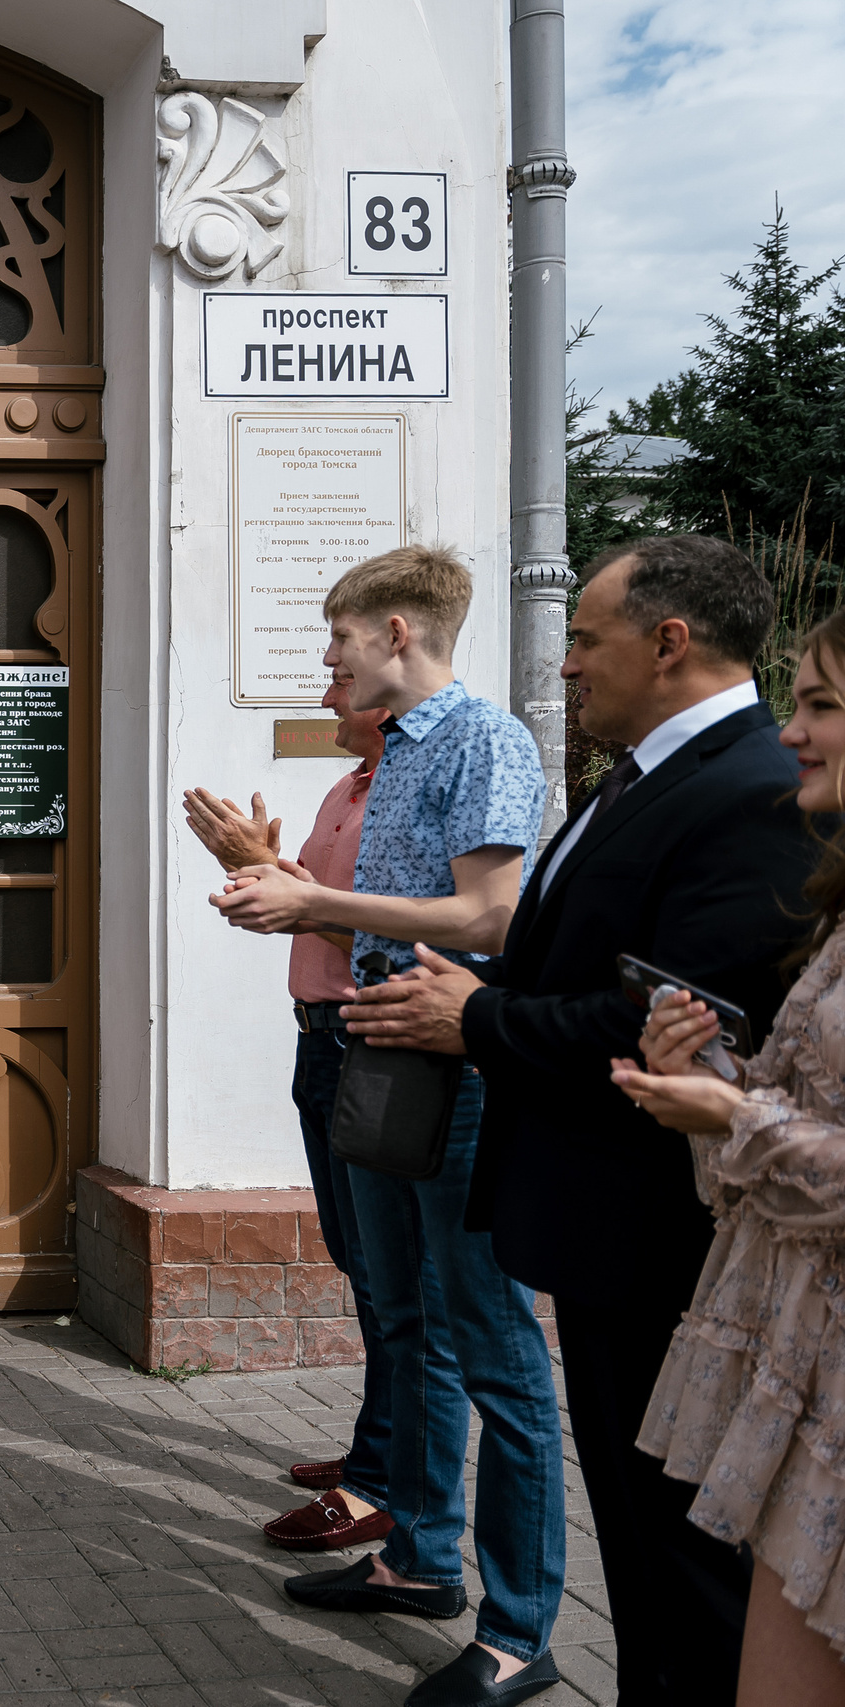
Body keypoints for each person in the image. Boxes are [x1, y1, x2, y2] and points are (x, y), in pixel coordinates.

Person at [359, 535, 816, 1707]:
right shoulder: (647, 772)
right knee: (637, 1538)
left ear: (668, 644)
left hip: (659, 1234)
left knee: (682, 1558)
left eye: (583, 639)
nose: (564, 666)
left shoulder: (751, 788)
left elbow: (662, 1022)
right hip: (597, 1226)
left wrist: (479, 1023)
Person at [212, 545, 565, 1707]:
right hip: (378, 1061)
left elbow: (488, 915)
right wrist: (276, 886)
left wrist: (311, 898)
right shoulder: (397, 754)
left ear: (399, 632)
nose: (327, 660)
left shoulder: (484, 742)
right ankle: (419, 1560)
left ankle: (519, 1633)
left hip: (457, 1079)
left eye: (338, 641)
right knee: (403, 1321)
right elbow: (380, 910)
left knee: (498, 1355)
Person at [613, 602, 845, 1707]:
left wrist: (730, 1119)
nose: (791, 733)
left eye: (821, 706)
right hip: (804, 1362)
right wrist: (718, 1079)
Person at [184, 676, 408, 1555]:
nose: (324, 691)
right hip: (319, 1043)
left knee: (392, 1279)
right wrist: (265, 882)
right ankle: (372, 1449)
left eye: (341, 679)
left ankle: (379, 1485)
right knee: (359, 1260)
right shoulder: (342, 787)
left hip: (367, 1044)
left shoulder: (403, 793)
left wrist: (280, 876)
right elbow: (319, 916)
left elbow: (400, 936)